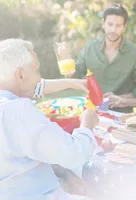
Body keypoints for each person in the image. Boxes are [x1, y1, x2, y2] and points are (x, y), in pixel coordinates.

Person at [0, 39, 99, 200]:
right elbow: (74, 154)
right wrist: (87, 125)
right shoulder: (19, 111)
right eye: (37, 71)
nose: (40, 78)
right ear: (21, 74)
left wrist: (63, 173)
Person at [72, 4, 136, 113]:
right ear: (103, 24)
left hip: (121, 114)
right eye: (110, 24)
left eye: (118, 25)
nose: (113, 30)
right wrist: (66, 63)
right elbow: (75, 74)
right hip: (91, 112)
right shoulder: (90, 48)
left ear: (124, 27)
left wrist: (120, 98)